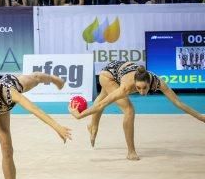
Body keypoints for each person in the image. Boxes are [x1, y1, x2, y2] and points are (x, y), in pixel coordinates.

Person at [70, 62, 204, 160]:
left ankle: (92, 126)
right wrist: (79, 115)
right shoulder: (126, 87)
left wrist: (200, 117)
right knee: (129, 109)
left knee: (102, 96)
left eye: (144, 88)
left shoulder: (159, 82)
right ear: (134, 82)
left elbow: (178, 102)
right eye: (138, 88)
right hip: (108, 75)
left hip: (118, 69)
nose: (141, 92)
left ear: (149, 82)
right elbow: (103, 105)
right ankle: (131, 152)